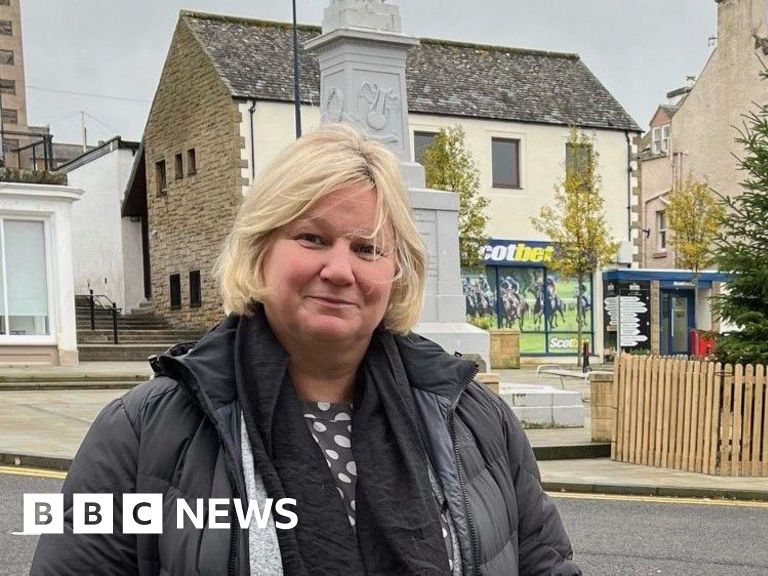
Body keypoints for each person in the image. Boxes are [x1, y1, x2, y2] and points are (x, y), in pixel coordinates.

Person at [31, 124, 581, 576]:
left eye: (366, 248)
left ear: (395, 271)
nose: (339, 270)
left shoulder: (477, 421)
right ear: (261, 249)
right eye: (312, 238)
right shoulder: (141, 432)